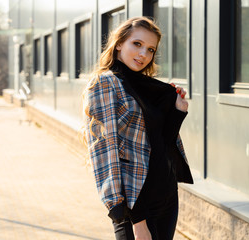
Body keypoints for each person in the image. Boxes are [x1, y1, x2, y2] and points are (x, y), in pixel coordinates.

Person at [82, 17, 193, 240]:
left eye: (150, 49)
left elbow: (160, 143)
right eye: (137, 44)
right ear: (119, 43)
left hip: (167, 197)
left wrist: (177, 112)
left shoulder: (149, 88)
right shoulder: (106, 84)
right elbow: (107, 154)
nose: (143, 54)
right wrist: (138, 221)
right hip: (136, 206)